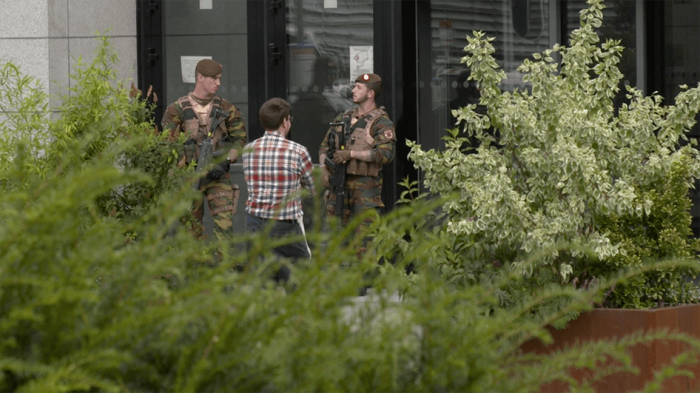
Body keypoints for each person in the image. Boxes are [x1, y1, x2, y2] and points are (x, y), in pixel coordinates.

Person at [160, 59, 246, 240]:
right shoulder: (177, 109)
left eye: (220, 78)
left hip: (218, 175)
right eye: (214, 78)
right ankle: (194, 266)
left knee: (225, 227)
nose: (219, 83)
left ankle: (225, 265)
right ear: (200, 78)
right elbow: (168, 145)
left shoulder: (226, 108)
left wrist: (226, 161)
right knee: (191, 230)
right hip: (190, 176)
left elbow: (240, 140)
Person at [318, 73, 396, 250]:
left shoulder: (381, 122)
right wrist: (323, 166)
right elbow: (324, 145)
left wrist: (351, 154)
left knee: (365, 243)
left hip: (365, 191)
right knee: (334, 240)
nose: (353, 90)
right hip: (338, 187)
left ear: (370, 94)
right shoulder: (343, 118)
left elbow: (386, 154)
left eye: (358, 87)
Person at [243, 97, 315, 267]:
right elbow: (312, 188)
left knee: (262, 278)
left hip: (254, 222)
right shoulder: (298, 151)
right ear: (285, 122)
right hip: (284, 225)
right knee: (298, 274)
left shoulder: (248, 149)